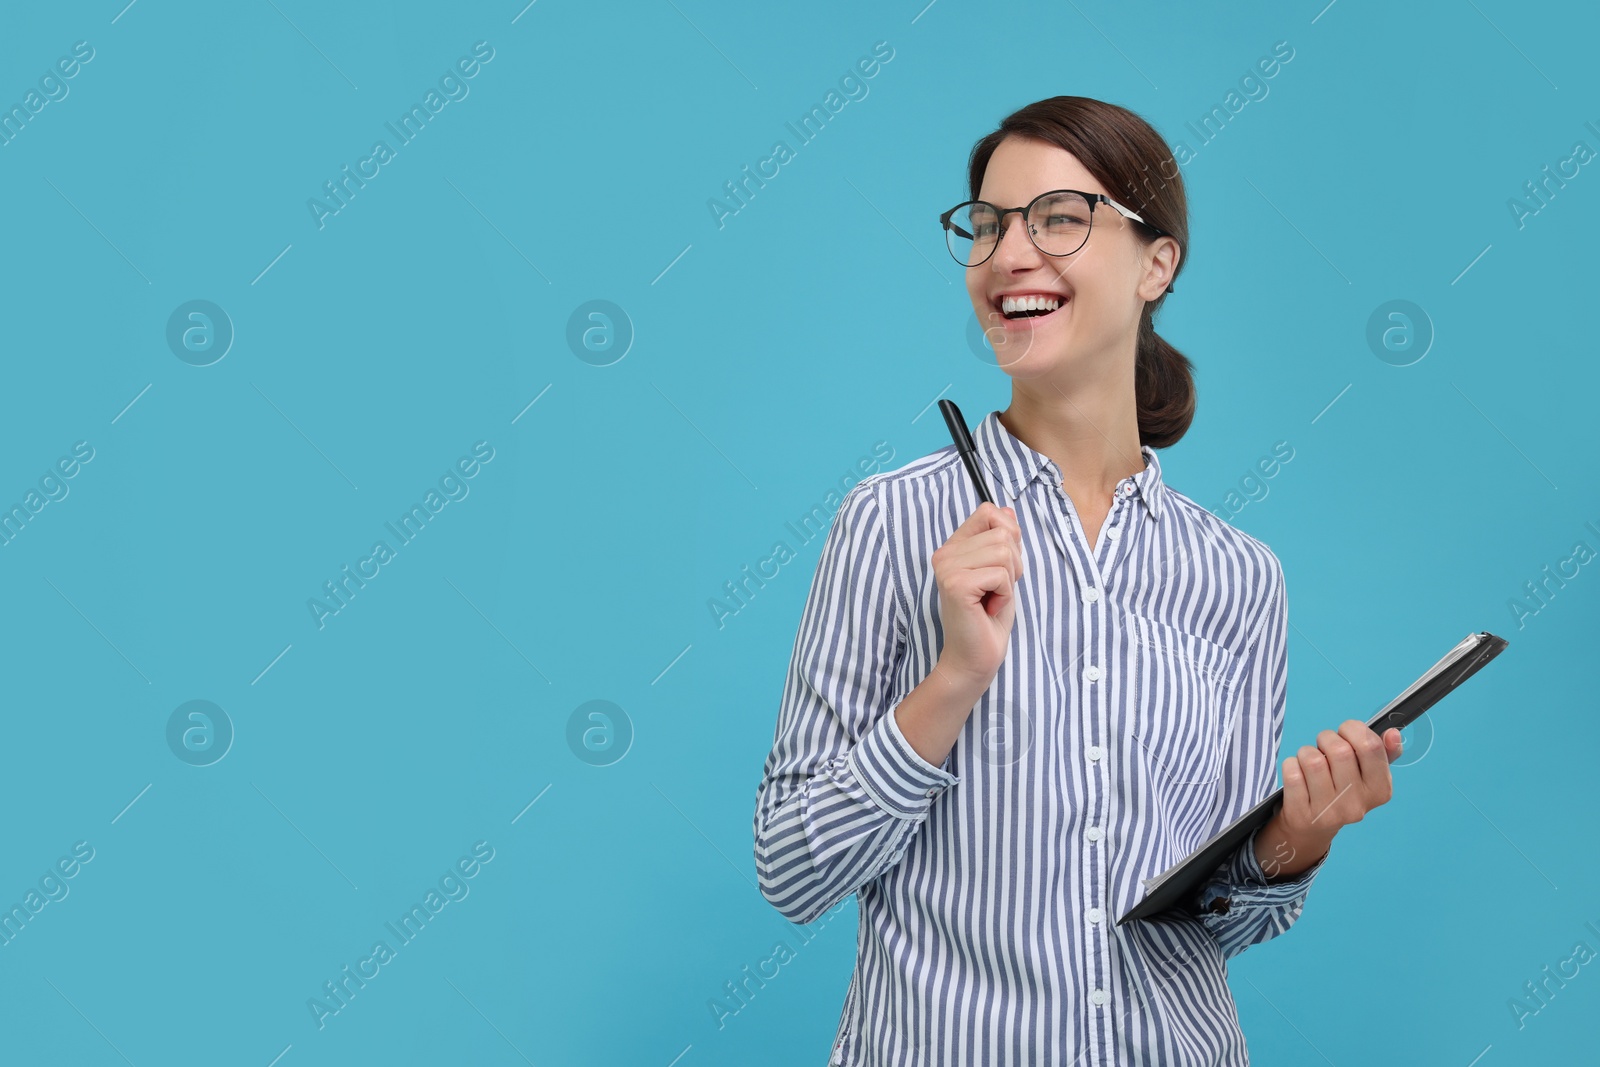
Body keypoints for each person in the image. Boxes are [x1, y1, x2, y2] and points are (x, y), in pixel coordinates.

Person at [751, 96, 1405, 1066]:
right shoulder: (891, 521)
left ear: (1156, 262)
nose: (1010, 253)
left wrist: (1290, 844)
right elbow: (793, 865)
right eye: (988, 224)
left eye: (1059, 217)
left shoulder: (1237, 575)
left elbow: (1210, 922)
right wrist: (950, 683)